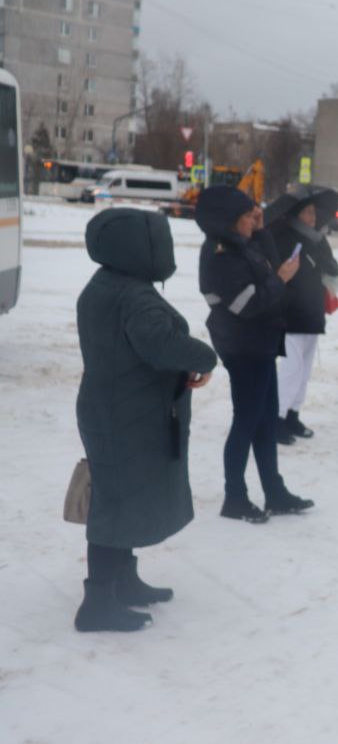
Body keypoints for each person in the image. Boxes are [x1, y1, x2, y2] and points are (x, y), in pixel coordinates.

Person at [74, 208, 218, 632]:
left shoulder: (107, 283)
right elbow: (159, 345)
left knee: (124, 496)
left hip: (116, 408)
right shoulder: (133, 295)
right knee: (115, 503)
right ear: (140, 247)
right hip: (126, 413)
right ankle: (97, 602)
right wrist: (205, 357)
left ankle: (123, 579)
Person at [196, 186, 314, 522]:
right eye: (247, 217)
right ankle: (234, 497)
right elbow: (249, 304)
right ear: (229, 222)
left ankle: (274, 492)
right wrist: (280, 279)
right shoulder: (220, 256)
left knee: (264, 422)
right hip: (244, 347)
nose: (252, 220)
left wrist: (261, 232)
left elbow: (265, 270)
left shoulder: (239, 246)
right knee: (246, 423)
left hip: (259, 344)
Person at [269, 191, 338, 442]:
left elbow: (332, 267)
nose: (313, 217)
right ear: (295, 215)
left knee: (304, 370)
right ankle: (275, 419)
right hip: (290, 313)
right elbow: (279, 272)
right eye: (308, 212)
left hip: (312, 311)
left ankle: (292, 414)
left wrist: (328, 265)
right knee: (291, 369)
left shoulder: (317, 240)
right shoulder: (283, 237)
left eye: (314, 212)